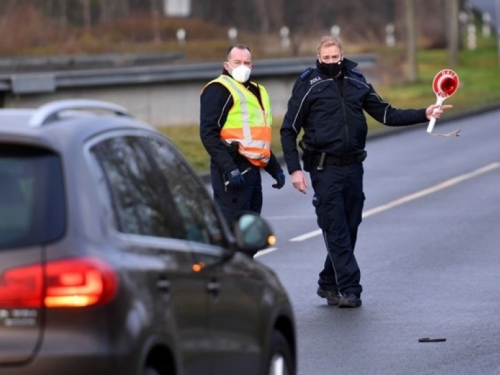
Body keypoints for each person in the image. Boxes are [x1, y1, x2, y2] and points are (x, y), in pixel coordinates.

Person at [280, 36, 452, 308]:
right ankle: (351, 288)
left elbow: (386, 114)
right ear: (318, 58)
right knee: (334, 227)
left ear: (342, 54)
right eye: (326, 58)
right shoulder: (308, 85)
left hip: (353, 166)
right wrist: (294, 170)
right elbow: (288, 130)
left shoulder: (357, 80)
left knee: (349, 228)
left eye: (335, 57)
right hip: (324, 168)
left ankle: (328, 282)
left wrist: (425, 113)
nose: (332, 62)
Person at [200, 44, 286, 236]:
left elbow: (256, 140)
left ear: (252, 66)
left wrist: (274, 169)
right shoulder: (218, 89)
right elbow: (208, 134)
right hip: (231, 171)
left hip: (253, 172)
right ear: (227, 65)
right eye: (237, 62)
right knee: (232, 234)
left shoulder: (257, 91)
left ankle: (246, 265)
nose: (242, 66)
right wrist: (229, 168)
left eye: (246, 62)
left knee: (251, 235)